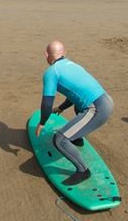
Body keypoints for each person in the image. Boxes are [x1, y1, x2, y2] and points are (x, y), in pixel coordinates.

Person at [34, 41, 113, 186]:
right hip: (106, 100)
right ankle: (77, 138)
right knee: (80, 106)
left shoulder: (51, 72)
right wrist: (62, 108)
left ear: (46, 55)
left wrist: (42, 122)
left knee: (59, 139)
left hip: (97, 109)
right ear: (64, 53)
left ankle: (83, 170)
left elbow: (46, 103)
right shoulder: (73, 65)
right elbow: (75, 94)